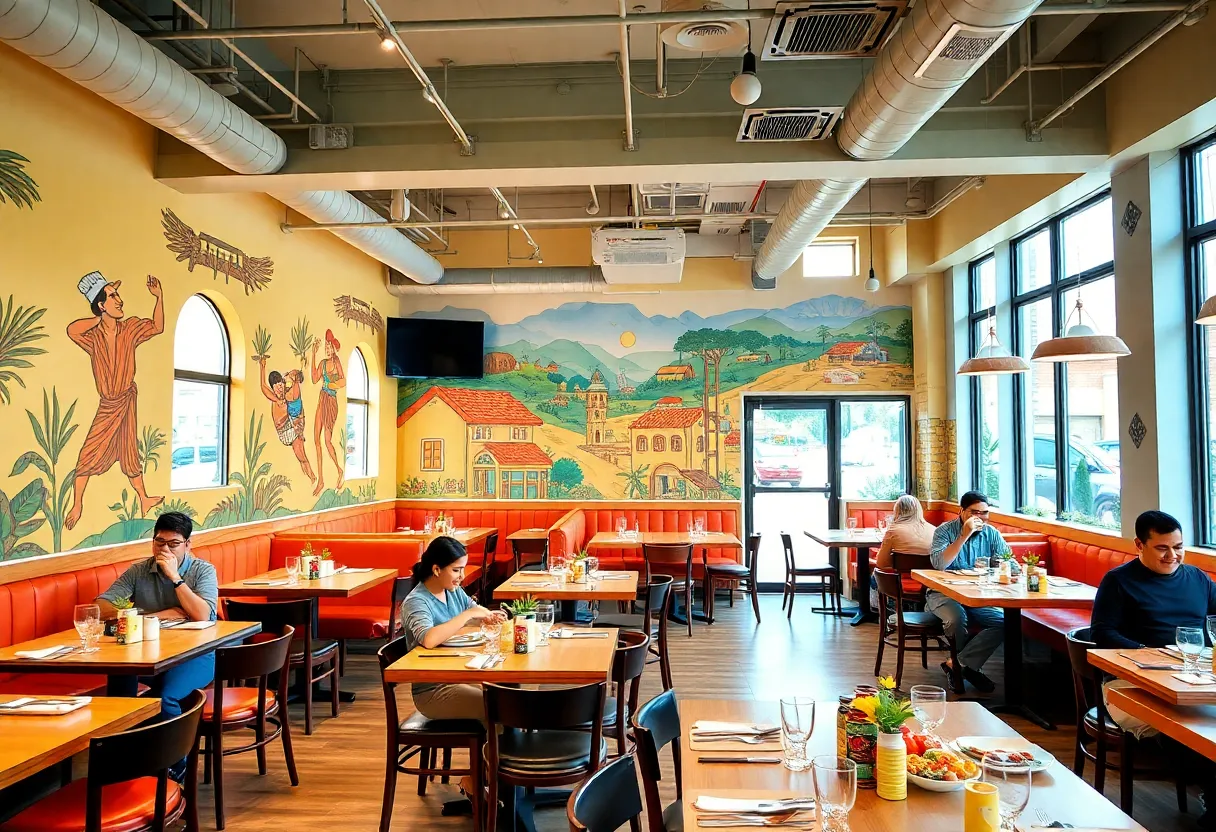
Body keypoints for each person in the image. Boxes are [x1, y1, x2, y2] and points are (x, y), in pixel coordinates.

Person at [96, 512, 217, 778]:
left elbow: (203, 615)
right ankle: (123, 764)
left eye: (173, 543)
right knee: (120, 691)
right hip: (147, 654)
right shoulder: (139, 571)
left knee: (164, 699)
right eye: (159, 542)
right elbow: (101, 607)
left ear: (188, 544)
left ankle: (176, 766)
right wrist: (155, 615)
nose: (164, 549)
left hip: (196, 654)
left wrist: (175, 578)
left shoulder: (202, 570)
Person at [1092, 510, 1216, 733]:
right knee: (1187, 726)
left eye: (1178, 547)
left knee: (1205, 723)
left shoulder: (1198, 578)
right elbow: (1102, 633)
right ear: (1139, 545)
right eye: (1162, 548)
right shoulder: (1118, 581)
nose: (1172, 555)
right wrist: (1147, 653)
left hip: (1195, 679)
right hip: (1132, 683)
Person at [65, 271, 165, 530]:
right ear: (101, 305)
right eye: (112, 295)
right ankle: (77, 504)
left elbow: (157, 326)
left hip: (126, 399)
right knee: (89, 451)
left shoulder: (130, 328)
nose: (119, 300)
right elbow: (71, 330)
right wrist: (99, 319)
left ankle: (143, 498)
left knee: (129, 450)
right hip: (108, 404)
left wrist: (159, 298)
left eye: (117, 294)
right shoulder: (93, 337)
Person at [399, 537, 507, 724]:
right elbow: (429, 639)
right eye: (456, 570)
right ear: (436, 569)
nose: (462, 576)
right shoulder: (416, 601)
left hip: (460, 674)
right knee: (499, 704)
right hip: (433, 690)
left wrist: (489, 616)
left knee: (509, 692)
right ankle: (498, 752)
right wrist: (468, 615)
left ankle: (501, 750)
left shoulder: (453, 590)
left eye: (463, 569)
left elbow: (474, 610)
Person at [928, 491, 1011, 694]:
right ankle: (968, 669)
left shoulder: (992, 534)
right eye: (975, 512)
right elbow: (940, 564)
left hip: (978, 594)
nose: (980, 517)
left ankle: (958, 665)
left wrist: (1004, 568)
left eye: (985, 513)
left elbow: (1010, 563)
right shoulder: (944, 531)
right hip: (943, 593)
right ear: (962, 511)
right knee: (956, 619)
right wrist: (964, 535)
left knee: (1005, 622)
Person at [259, 356, 315, 483]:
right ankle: (311, 476)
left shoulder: (288, 394)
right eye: (276, 387)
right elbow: (263, 386)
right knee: (301, 455)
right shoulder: (275, 398)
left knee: (301, 455)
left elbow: (295, 383)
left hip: (293, 425)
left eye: (280, 386)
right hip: (284, 431)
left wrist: (293, 376)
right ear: (273, 388)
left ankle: (311, 477)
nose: (279, 389)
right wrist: (262, 367)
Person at [310, 329, 346, 496]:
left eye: (329, 346)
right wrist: (313, 355)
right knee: (316, 439)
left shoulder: (336, 361)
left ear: (333, 348)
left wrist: (332, 385)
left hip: (331, 401)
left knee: (327, 440)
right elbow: (314, 379)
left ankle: (339, 469)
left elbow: (343, 380)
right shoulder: (323, 363)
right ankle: (321, 479)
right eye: (325, 346)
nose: (327, 349)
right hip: (321, 398)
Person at [875, 494, 936, 569]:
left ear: (897, 510)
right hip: (929, 578)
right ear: (919, 510)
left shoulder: (893, 531)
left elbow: (881, 563)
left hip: (900, 578)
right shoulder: (935, 530)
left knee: (873, 574)